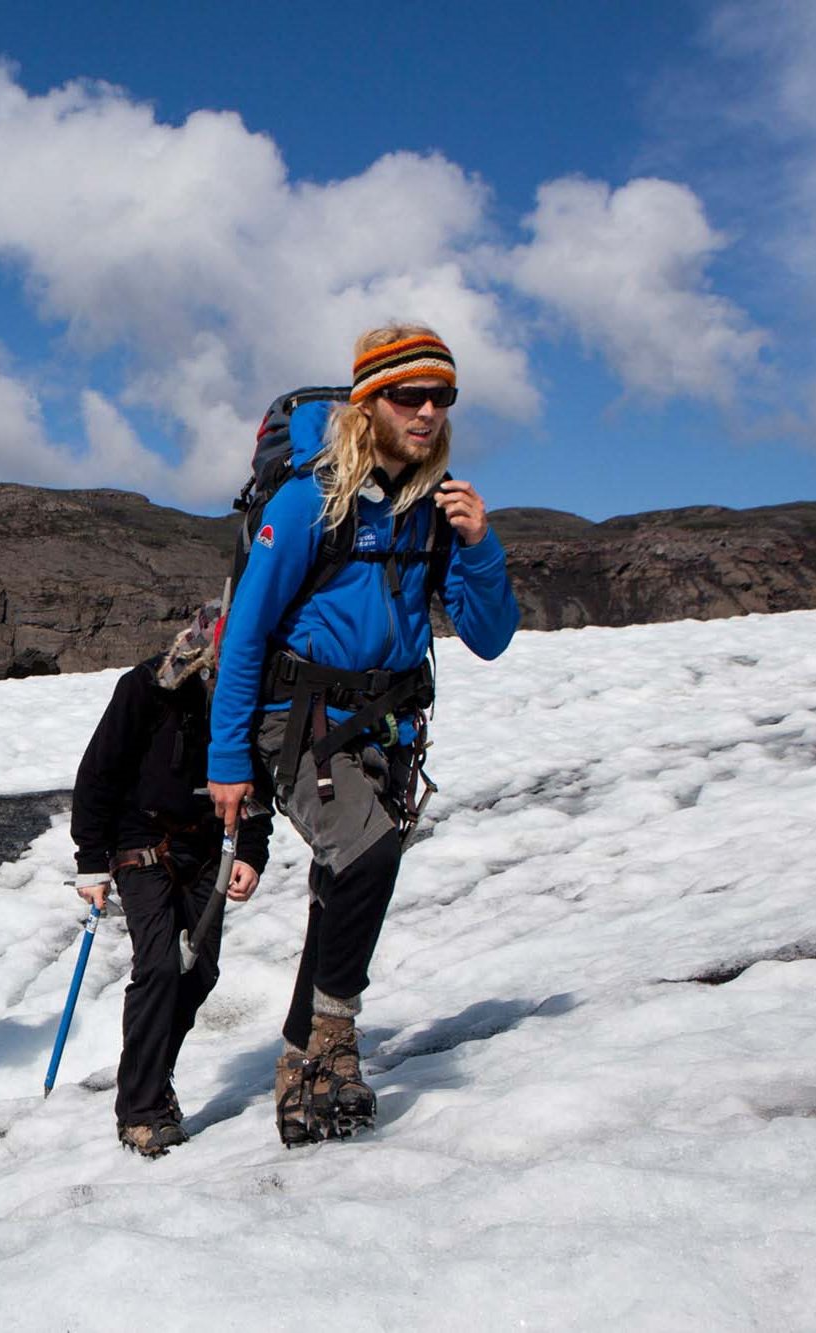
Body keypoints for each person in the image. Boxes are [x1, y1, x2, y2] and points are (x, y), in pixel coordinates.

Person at [207, 324, 519, 1145]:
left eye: (441, 396)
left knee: (344, 883)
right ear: (367, 402)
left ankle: (308, 1056)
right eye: (407, 395)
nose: (425, 411)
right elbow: (244, 635)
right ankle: (329, 1043)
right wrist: (228, 759)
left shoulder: (434, 508)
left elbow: (489, 635)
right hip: (299, 723)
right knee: (368, 855)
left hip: (383, 729)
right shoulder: (308, 501)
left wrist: (480, 546)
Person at [71, 605, 274, 1158]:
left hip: (210, 846)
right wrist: (91, 861)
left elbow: (259, 780)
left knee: (198, 974)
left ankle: (153, 1078)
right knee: (160, 967)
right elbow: (99, 774)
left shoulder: (254, 692)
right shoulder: (145, 688)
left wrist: (251, 852)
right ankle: (138, 1110)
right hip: (143, 841)